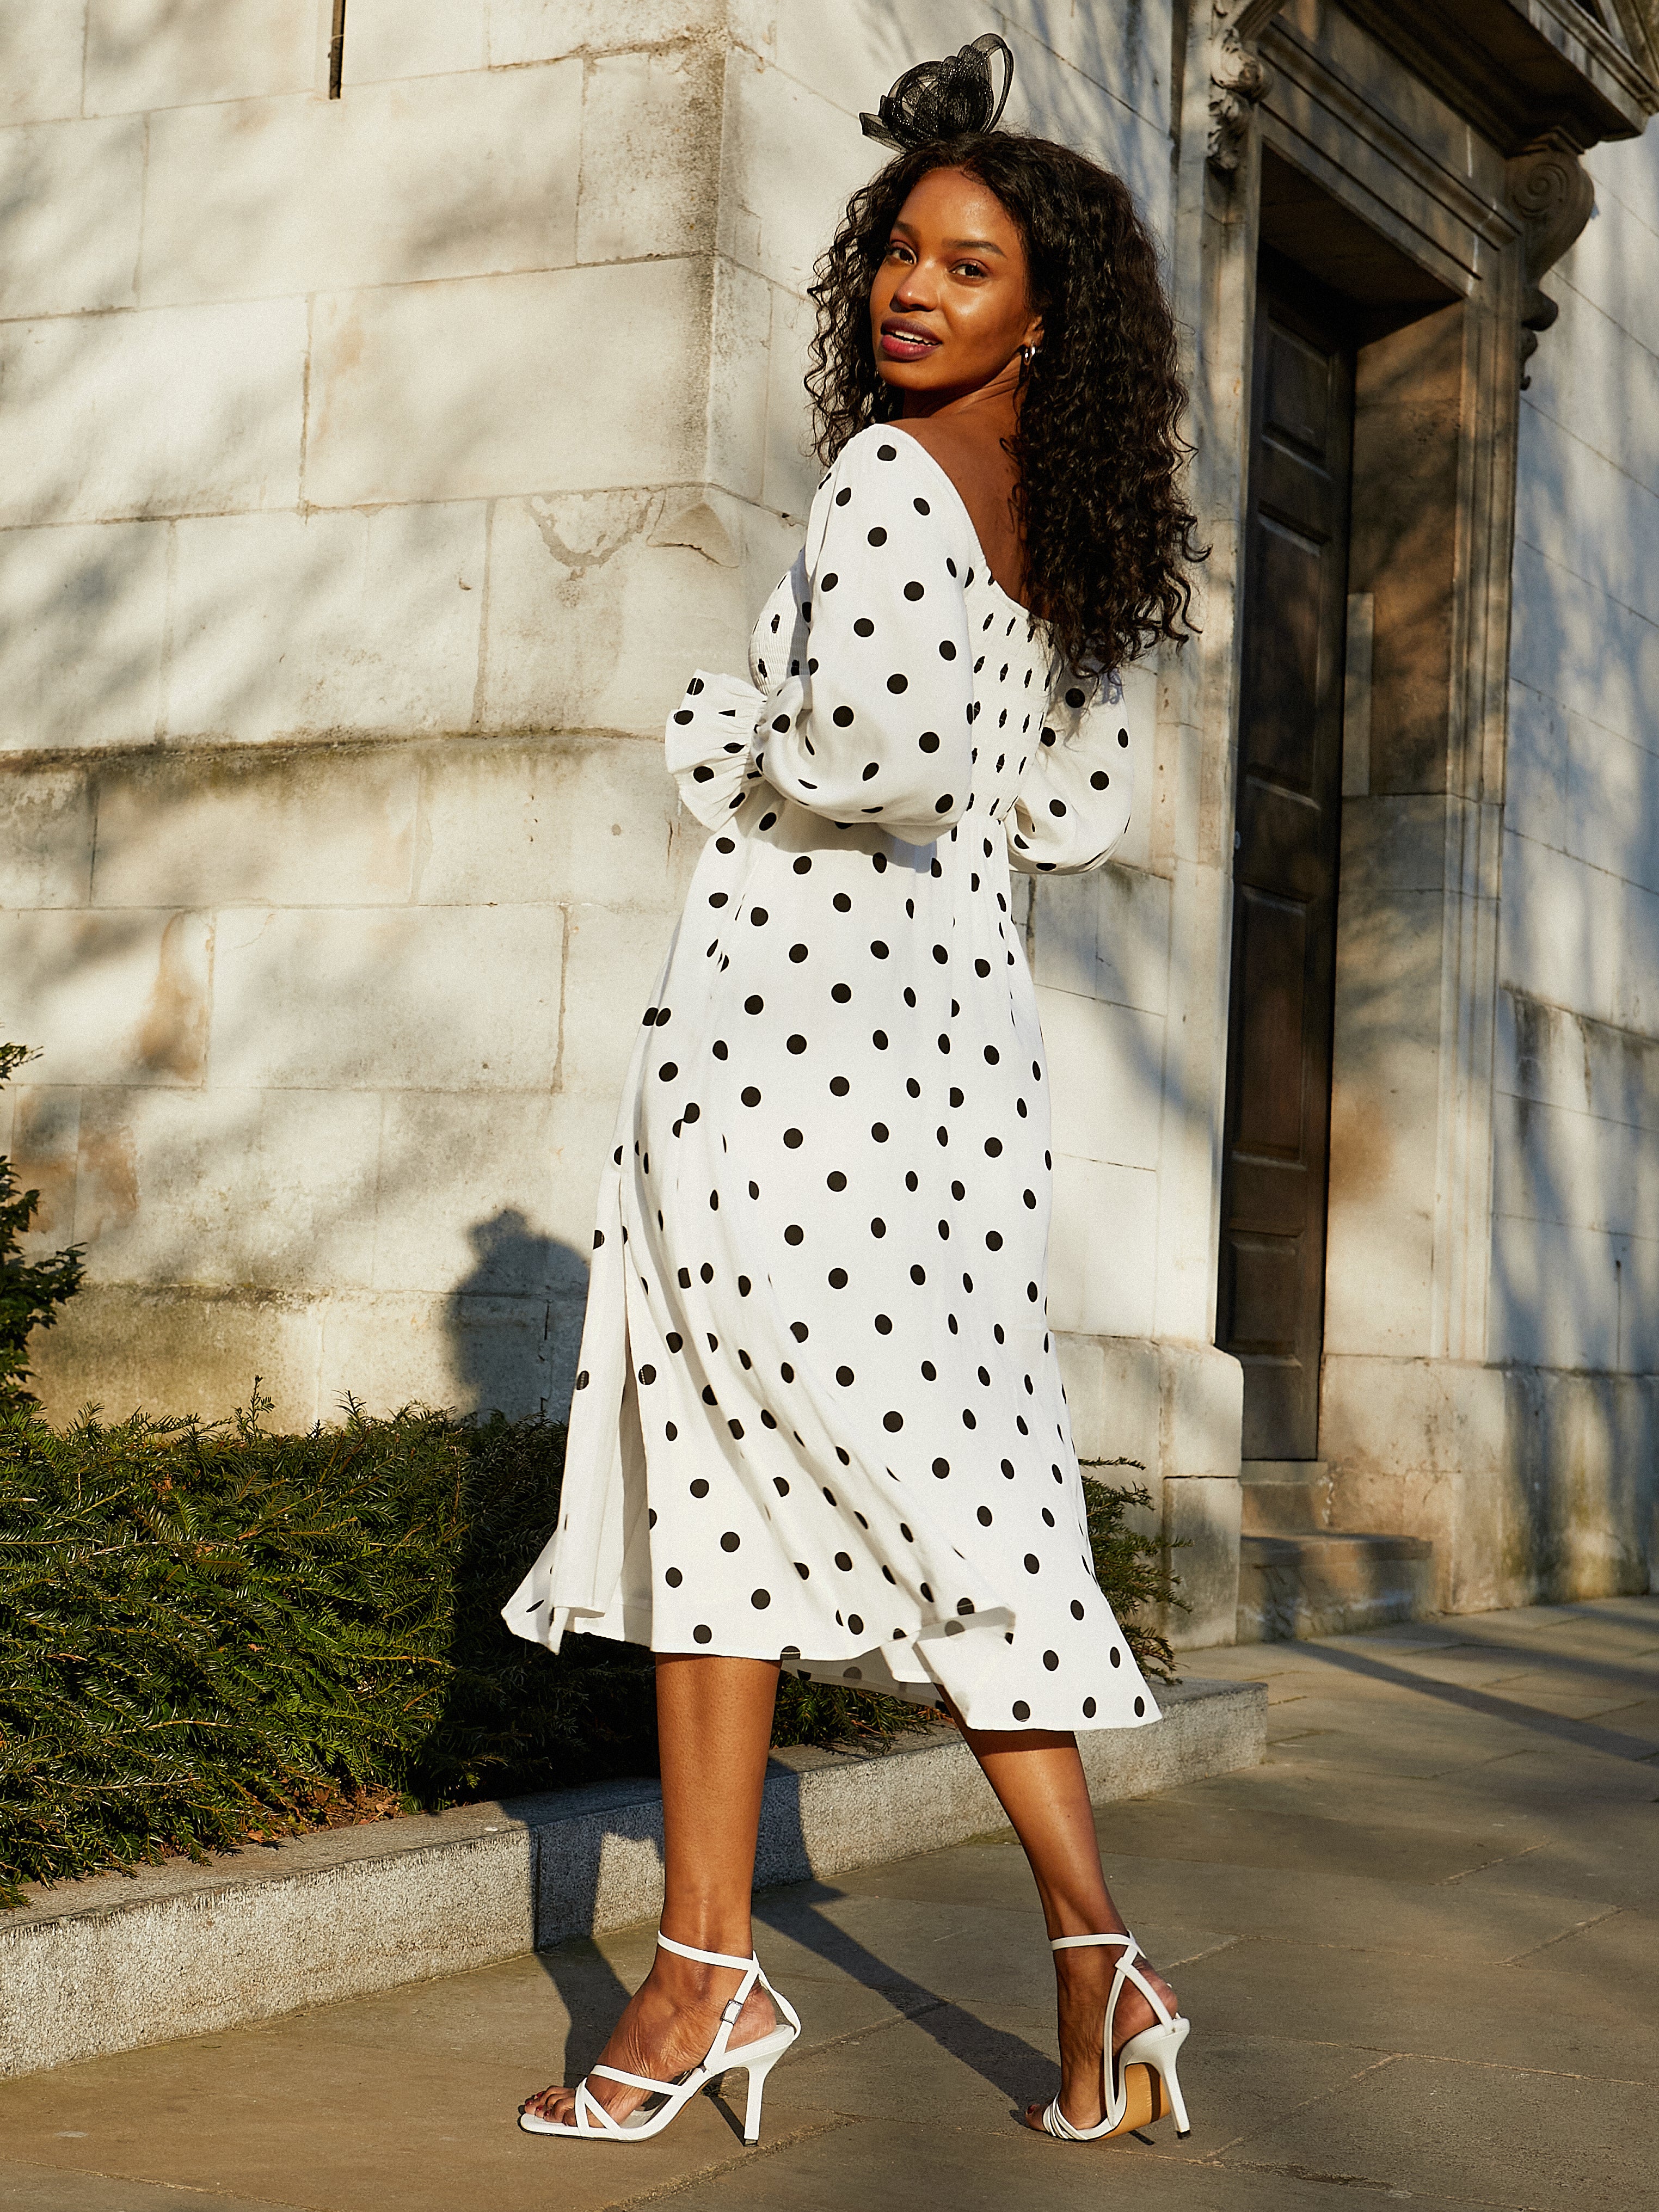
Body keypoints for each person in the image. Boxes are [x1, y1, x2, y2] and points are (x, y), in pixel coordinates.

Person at [503, 33, 1206, 2150]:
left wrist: (731, 722)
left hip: (797, 1032)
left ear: (1041, 313)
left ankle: (1074, 1938)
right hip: (957, 1038)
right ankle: (728, 1960)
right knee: (825, 1463)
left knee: (897, 1480)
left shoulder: (890, 486)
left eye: (967, 266)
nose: (912, 290)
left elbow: (849, 753)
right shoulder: (1072, 545)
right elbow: (1069, 810)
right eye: (902, 252)